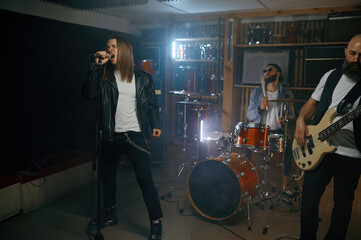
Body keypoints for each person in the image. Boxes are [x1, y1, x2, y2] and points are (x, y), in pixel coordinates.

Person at [82, 36, 163, 240]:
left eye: (114, 46)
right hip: (109, 135)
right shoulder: (104, 76)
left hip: (134, 135)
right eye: (107, 46)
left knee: (145, 180)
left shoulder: (143, 78)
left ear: (125, 51)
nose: (109, 49)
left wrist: (156, 125)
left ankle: (156, 223)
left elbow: (152, 104)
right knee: (107, 178)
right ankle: (109, 213)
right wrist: (95, 67)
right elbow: (88, 94)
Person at [294, 34, 361, 240]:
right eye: (353, 53)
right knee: (309, 198)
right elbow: (312, 103)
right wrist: (300, 119)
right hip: (319, 147)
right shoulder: (331, 76)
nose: (356, 59)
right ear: (345, 52)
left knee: (342, 206)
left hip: (352, 153)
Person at [247, 63, 295, 190]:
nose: (266, 73)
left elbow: (292, 115)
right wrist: (259, 109)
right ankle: (247, 180)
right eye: (265, 71)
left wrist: (285, 119)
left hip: (278, 130)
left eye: (270, 70)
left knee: (289, 147)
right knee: (245, 147)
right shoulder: (257, 92)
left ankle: (284, 185)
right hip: (260, 130)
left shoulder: (286, 93)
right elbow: (249, 115)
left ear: (278, 73)